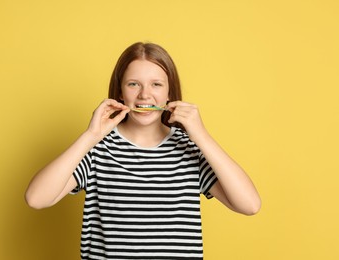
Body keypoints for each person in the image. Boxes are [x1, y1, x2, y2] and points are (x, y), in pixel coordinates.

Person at [25, 42, 261, 259]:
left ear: (169, 93)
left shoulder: (190, 149)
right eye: (133, 84)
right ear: (120, 92)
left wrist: (201, 136)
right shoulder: (97, 149)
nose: (144, 95)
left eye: (156, 84)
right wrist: (91, 136)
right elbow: (36, 199)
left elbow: (249, 205)